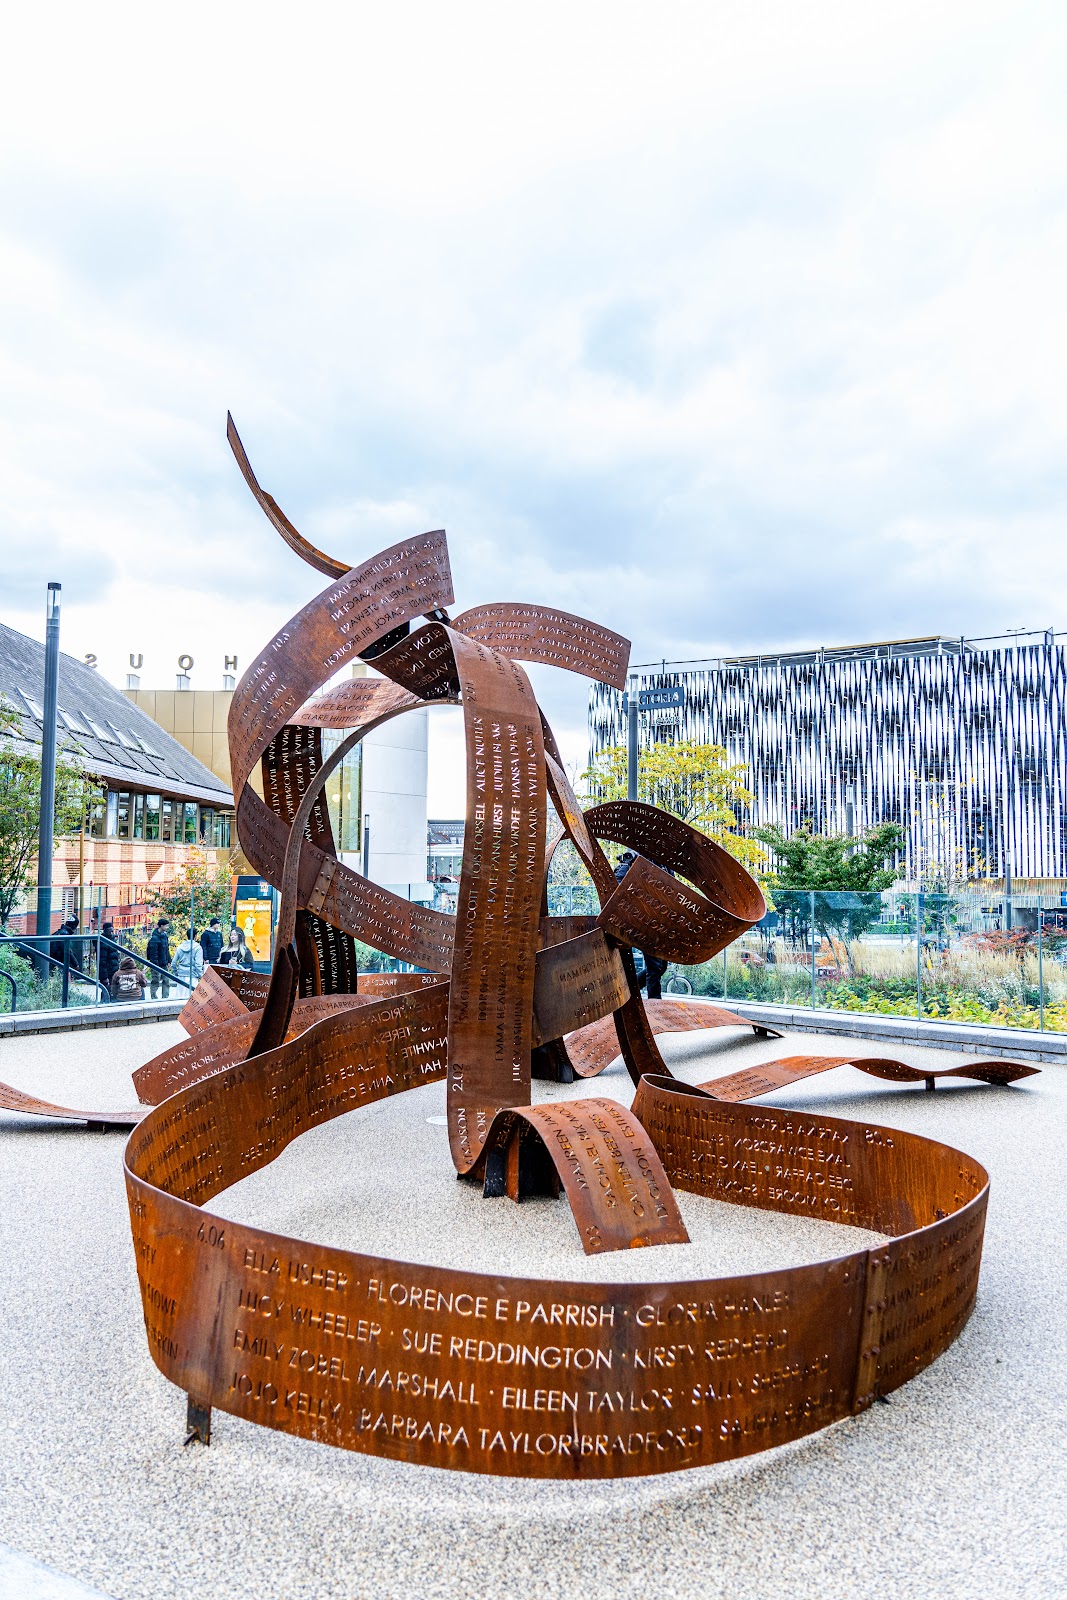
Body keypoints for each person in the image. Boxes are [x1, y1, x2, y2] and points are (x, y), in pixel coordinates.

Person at [613, 851, 669, 1000]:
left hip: (659, 922)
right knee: (654, 968)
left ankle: (628, 992)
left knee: (661, 967)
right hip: (643, 922)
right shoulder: (631, 860)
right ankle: (655, 1004)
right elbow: (616, 889)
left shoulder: (663, 864)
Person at [146, 916, 172, 1000]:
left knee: (166, 981)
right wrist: (155, 965)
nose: (167, 927)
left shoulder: (164, 936)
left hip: (164, 962)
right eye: (166, 926)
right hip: (156, 964)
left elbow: (166, 950)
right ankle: (153, 996)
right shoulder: (154, 938)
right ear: (161, 926)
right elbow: (153, 954)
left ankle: (165, 997)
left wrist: (169, 961)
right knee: (155, 981)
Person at [98, 921, 121, 993]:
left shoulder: (112, 940)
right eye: (109, 931)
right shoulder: (103, 943)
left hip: (113, 970)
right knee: (107, 990)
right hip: (108, 971)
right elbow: (102, 961)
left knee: (112, 990)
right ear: (105, 931)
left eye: (112, 931)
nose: (111, 933)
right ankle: (104, 1002)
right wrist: (104, 977)